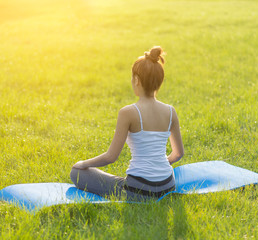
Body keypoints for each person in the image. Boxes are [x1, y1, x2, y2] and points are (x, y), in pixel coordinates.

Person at [70, 46, 184, 201]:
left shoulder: (128, 112)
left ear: (136, 80)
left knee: (76, 173)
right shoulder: (170, 111)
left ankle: (81, 169)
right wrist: (160, 164)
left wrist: (83, 163)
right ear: (160, 81)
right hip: (167, 187)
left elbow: (111, 157)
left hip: (137, 191)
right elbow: (178, 154)